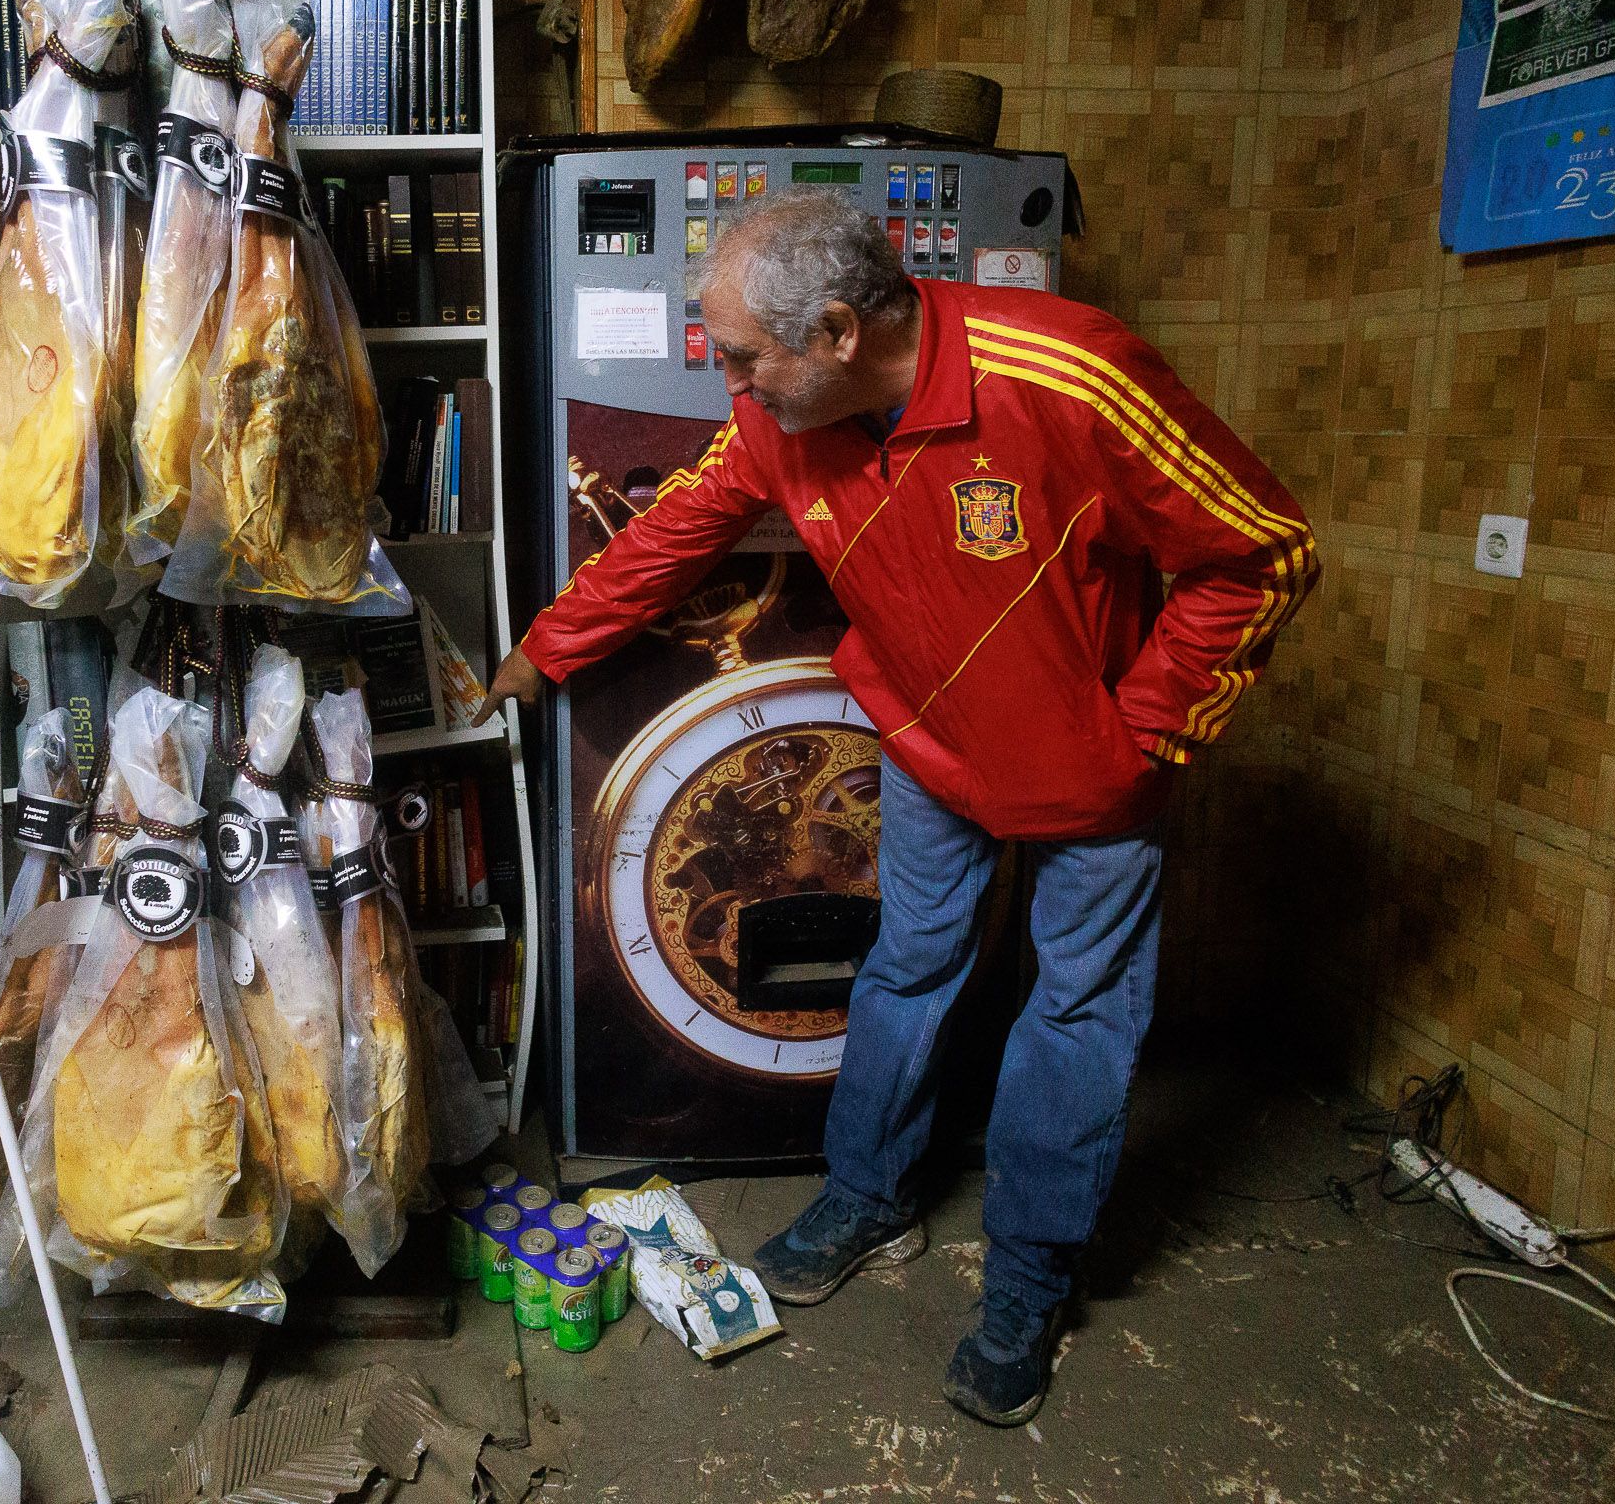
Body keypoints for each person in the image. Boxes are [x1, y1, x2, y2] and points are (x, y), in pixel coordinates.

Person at [473, 197, 1316, 1427]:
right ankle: (869, 1194)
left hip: (1089, 770)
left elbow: (1263, 549)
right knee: (907, 963)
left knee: (1074, 1013)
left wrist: (1143, 735)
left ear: (833, 331)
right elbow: (670, 536)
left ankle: (1029, 1277)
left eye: (748, 357)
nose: (731, 382)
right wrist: (538, 656)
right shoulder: (780, 420)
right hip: (926, 742)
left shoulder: (1073, 371)